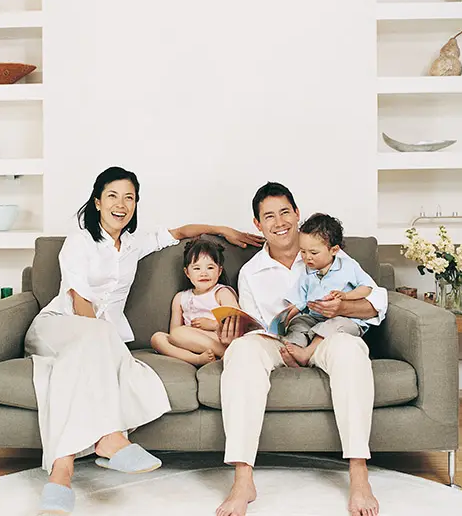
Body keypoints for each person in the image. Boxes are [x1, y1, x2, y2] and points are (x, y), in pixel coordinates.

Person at [23, 166, 263, 516]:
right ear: (97, 201)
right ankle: (110, 436)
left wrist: (221, 229)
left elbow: (181, 232)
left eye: (129, 198)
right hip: (59, 327)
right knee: (97, 339)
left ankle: (62, 474)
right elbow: (79, 302)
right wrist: (99, 345)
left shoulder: (134, 243)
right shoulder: (80, 241)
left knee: (80, 363)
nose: (122, 204)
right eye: (113, 196)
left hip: (99, 339)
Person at [216, 182, 387, 516]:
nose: (279, 222)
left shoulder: (328, 253)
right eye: (269, 217)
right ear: (258, 225)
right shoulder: (251, 272)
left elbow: (377, 304)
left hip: (325, 337)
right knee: (241, 351)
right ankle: (242, 478)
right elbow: (256, 327)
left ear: (297, 214)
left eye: (285, 212)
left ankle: (358, 473)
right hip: (278, 343)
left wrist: (342, 309)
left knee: (352, 350)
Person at [281, 212, 379, 367]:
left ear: (334, 250)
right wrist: (284, 318)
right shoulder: (307, 272)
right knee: (299, 323)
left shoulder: (348, 266)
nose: (307, 257)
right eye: (303, 251)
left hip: (345, 320)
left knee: (334, 325)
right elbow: (299, 302)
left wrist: (346, 296)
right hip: (315, 318)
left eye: (313, 253)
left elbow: (367, 288)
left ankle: (307, 354)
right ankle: (292, 351)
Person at [151, 238, 239, 366]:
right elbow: (174, 332)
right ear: (187, 272)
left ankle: (223, 351)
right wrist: (186, 335)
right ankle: (196, 360)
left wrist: (213, 325)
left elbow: (236, 322)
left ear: (219, 271)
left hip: (217, 339)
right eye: (197, 268)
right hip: (187, 343)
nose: (203, 273)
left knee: (179, 333)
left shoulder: (221, 292)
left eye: (210, 267)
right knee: (157, 338)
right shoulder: (180, 298)